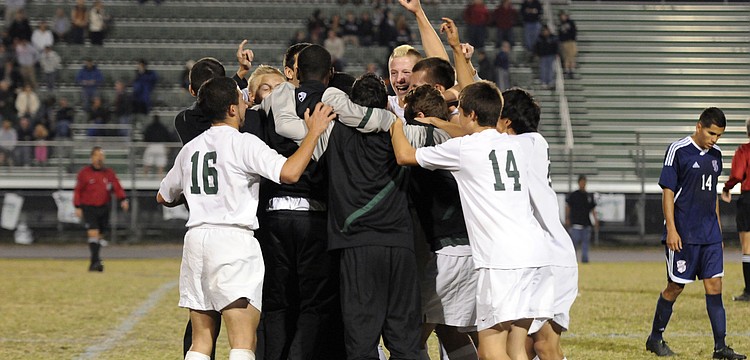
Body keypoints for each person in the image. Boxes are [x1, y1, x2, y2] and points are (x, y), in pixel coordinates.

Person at [156, 76, 335, 360]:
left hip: (196, 240)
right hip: (232, 241)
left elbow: (163, 196)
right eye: (241, 101)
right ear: (230, 108)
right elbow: (289, 172)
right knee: (242, 340)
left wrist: (196, 194)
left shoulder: (190, 149)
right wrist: (313, 133)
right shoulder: (244, 143)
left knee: (201, 340)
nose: (245, 105)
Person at [390, 80, 554, 360]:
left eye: (462, 113)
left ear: (472, 115)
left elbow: (405, 156)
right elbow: (472, 134)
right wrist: (438, 122)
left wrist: (394, 125)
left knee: (491, 350)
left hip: (501, 259)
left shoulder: (465, 149)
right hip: (536, 254)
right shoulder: (518, 143)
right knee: (516, 348)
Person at [646, 107, 746, 360]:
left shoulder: (717, 155)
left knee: (715, 286)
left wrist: (719, 233)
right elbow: (668, 191)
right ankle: (655, 338)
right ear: (699, 125)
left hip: (710, 234)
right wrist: (671, 228)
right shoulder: (678, 150)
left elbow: (712, 193)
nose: (714, 139)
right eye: (712, 133)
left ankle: (720, 348)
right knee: (675, 286)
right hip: (684, 233)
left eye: (719, 136)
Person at [499, 87, 578, 360]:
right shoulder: (528, 144)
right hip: (546, 255)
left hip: (549, 257)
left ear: (507, 120)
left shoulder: (529, 142)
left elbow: (476, 135)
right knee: (528, 346)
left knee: (542, 345)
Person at [73, 146, 129, 272]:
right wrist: (77, 206)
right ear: (92, 157)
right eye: (97, 155)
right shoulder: (84, 173)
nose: (99, 158)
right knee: (93, 233)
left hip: (104, 207)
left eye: (101, 155)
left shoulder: (108, 173)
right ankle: (96, 261)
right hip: (89, 208)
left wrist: (123, 199)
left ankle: (95, 261)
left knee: (99, 236)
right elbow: (78, 190)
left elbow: (117, 186)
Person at [722, 117, 750, 302]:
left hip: (748, 199)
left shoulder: (743, 150)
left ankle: (749, 292)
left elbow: (738, 174)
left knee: (747, 248)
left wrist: (727, 188)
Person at [565, 174, 597, 263]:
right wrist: (567, 218)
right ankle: (571, 260)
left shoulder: (589, 196)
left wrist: (595, 220)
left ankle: (585, 259)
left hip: (586, 223)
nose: (583, 184)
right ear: (579, 183)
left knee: (585, 243)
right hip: (576, 223)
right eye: (581, 182)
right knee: (573, 243)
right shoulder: (574, 195)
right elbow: (568, 206)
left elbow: (592, 209)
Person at [534, 25, 557, 90]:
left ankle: (550, 82)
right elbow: (537, 47)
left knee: (550, 69)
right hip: (543, 56)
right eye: (544, 31)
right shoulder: (540, 38)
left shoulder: (553, 37)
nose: (545, 32)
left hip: (550, 55)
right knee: (543, 69)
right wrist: (537, 54)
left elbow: (555, 46)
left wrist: (556, 53)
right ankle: (543, 82)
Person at [558, 10, 577, 79]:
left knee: (572, 56)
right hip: (564, 42)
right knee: (566, 56)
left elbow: (574, 32)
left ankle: (572, 69)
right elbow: (560, 34)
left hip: (571, 41)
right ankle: (567, 70)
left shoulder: (571, 23)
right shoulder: (561, 25)